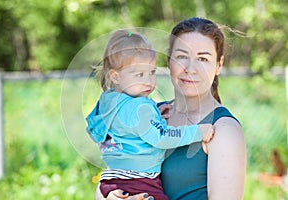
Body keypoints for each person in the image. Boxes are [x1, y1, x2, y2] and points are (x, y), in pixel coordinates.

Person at [94, 17, 246, 200]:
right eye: (181, 56)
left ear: (219, 65)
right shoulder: (150, 114)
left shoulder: (223, 130)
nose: (190, 68)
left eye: (203, 59)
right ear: (168, 60)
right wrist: (108, 197)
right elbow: (115, 173)